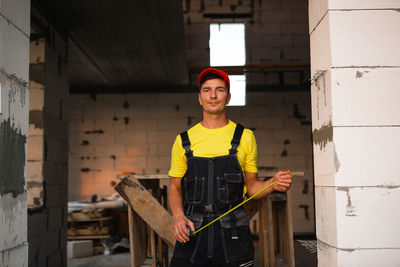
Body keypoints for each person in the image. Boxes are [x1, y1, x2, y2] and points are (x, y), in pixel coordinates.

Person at [168, 68, 292, 267]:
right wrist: (178, 216)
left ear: (228, 97)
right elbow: (174, 186)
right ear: (199, 98)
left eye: (220, 90)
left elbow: (251, 186)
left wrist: (273, 184)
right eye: (207, 90)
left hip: (234, 232)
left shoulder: (245, 137)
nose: (213, 95)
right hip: (193, 229)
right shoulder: (183, 140)